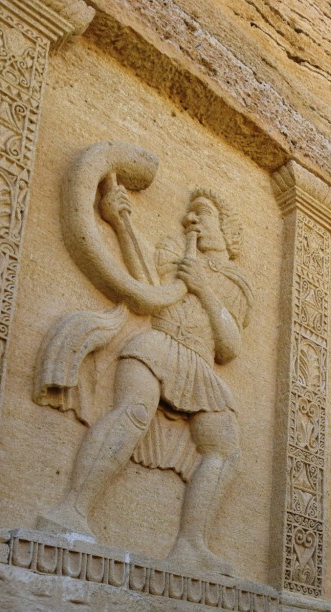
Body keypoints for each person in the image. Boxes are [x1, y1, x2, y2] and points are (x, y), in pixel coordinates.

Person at [40, 181, 253, 576]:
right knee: (134, 412)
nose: (191, 218)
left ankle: (190, 547)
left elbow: (230, 347)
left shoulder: (235, 284)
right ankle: (71, 510)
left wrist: (204, 288)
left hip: (200, 366)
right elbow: (146, 287)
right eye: (190, 213)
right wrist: (121, 222)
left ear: (227, 230)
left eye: (202, 212)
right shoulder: (174, 253)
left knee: (226, 447)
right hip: (159, 345)